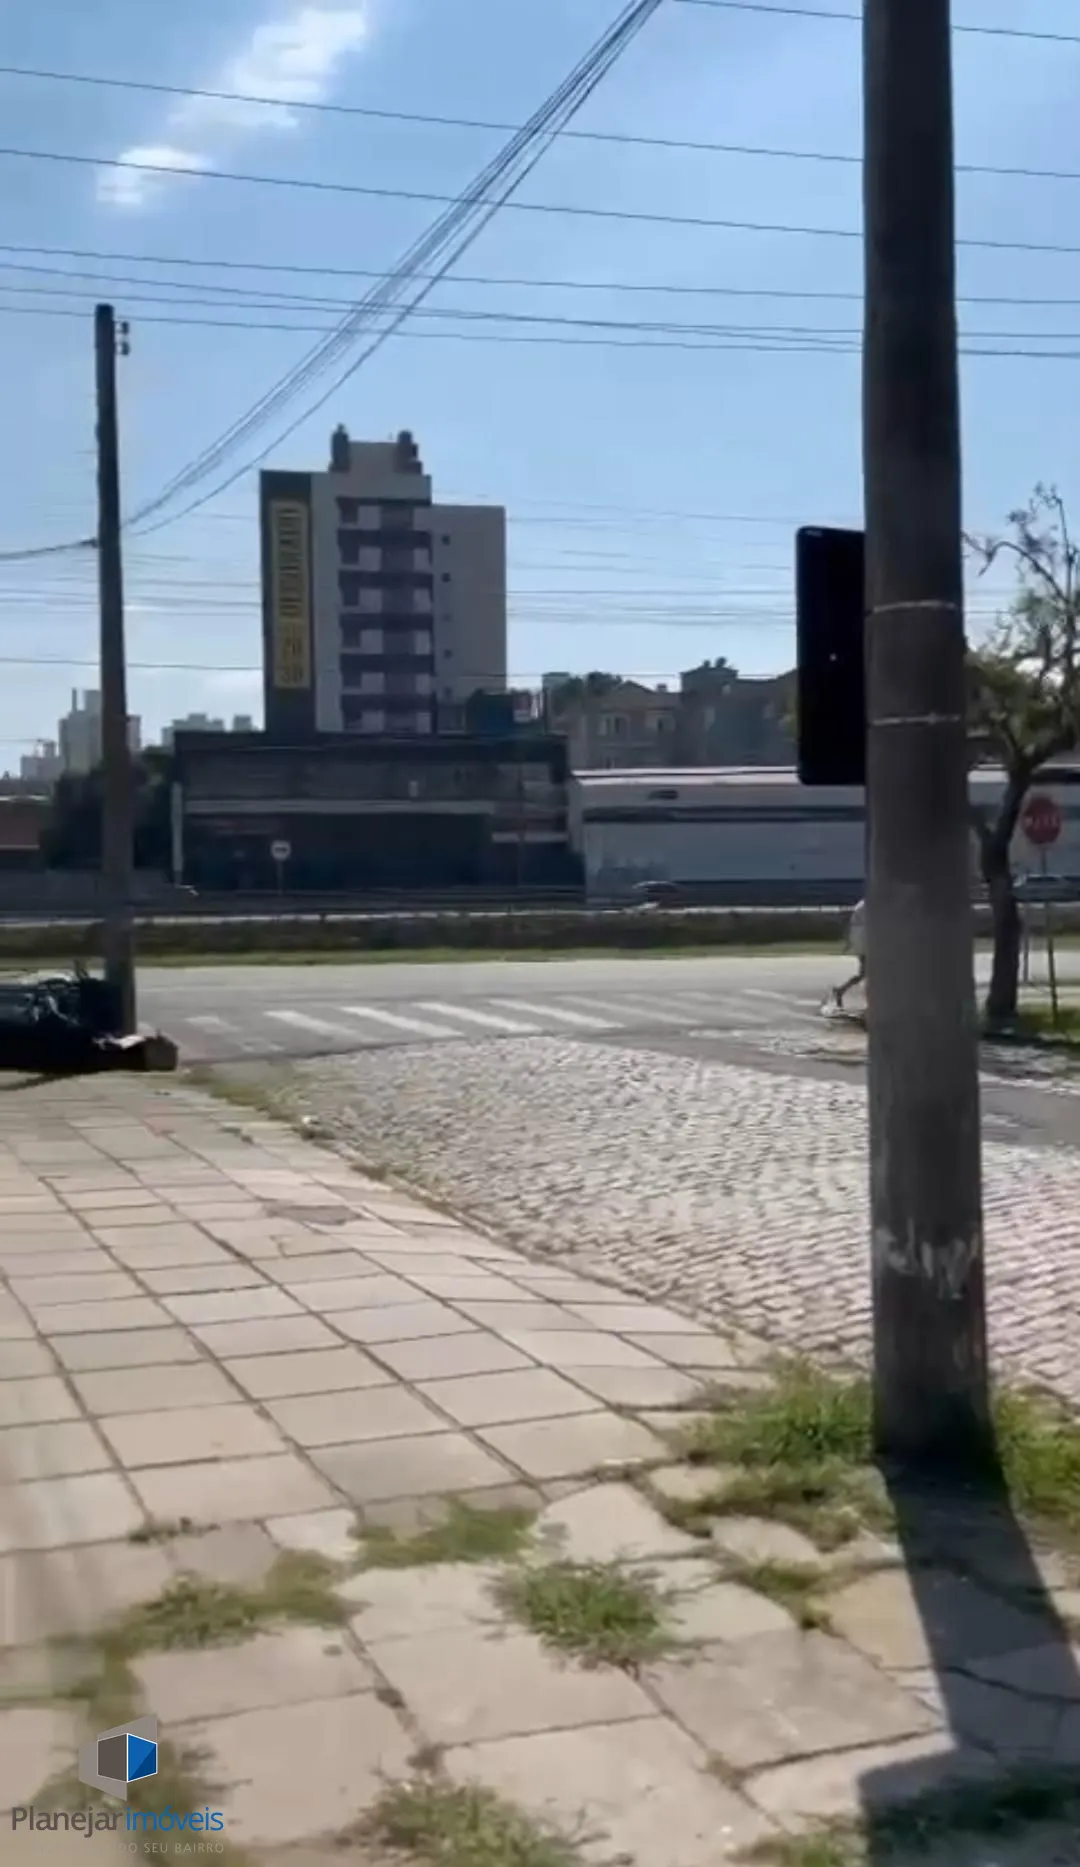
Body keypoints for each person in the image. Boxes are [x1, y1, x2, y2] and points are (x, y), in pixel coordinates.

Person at [831, 897, 866, 1010]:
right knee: (866, 972)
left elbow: (849, 923)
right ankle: (840, 990)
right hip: (864, 940)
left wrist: (849, 941)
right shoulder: (868, 905)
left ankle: (841, 990)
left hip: (860, 939)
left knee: (864, 973)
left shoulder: (862, 905)